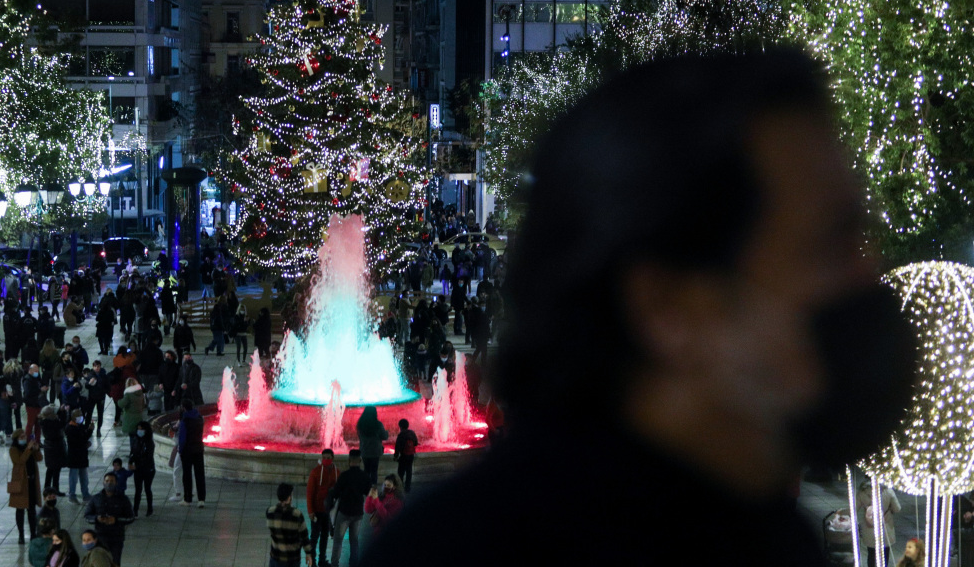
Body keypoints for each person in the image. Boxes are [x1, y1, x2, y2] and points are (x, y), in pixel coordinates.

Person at [360, 52, 919, 566]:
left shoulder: (771, 540)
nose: (869, 275)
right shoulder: (458, 552)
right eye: (830, 245)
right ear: (666, 305)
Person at [83, 473, 135, 564]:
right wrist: (97, 519)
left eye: (111, 481)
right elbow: (87, 516)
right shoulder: (96, 498)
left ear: (116, 483)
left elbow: (130, 517)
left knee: (115, 562)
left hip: (116, 538)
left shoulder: (123, 499)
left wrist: (116, 520)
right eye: (107, 481)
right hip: (100, 537)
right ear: (103, 482)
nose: (109, 483)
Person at [330, 450, 367, 567]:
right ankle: (354, 563)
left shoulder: (344, 476)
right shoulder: (364, 476)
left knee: (338, 540)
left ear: (349, 460)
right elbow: (368, 492)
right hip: (358, 513)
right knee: (354, 541)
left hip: (344, 512)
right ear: (360, 460)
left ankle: (335, 564)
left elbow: (335, 493)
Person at [266, 482, 315, 567]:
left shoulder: (270, 512)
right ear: (289, 497)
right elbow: (304, 536)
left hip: (275, 557)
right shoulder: (296, 515)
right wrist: (308, 553)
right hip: (292, 559)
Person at [9, 429, 43, 545]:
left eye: (25, 437)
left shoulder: (29, 448)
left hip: (31, 482)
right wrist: (28, 449)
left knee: (31, 510)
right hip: (21, 483)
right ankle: (21, 534)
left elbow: (39, 458)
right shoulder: (13, 449)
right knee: (20, 509)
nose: (24, 439)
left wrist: (36, 449)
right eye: (21, 437)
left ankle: (33, 533)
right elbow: (20, 461)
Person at [306, 449, 339, 567]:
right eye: (324, 458)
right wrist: (310, 511)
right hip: (317, 510)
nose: (326, 460)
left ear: (332, 458)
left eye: (328, 458)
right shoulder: (315, 472)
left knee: (325, 535)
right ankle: (313, 561)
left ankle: (322, 560)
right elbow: (310, 493)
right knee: (314, 537)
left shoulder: (337, 472)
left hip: (328, 511)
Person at [859, 481, 902, 567]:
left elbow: (854, 508)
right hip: (885, 528)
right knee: (885, 554)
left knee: (871, 553)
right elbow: (897, 508)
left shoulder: (863, 492)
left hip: (869, 528)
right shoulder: (889, 491)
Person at [177, 398, 207, 506]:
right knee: (200, 474)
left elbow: (182, 438)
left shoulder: (185, 420)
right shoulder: (199, 418)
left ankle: (187, 499)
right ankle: (201, 499)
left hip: (187, 450)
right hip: (198, 448)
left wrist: (180, 450)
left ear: (184, 408)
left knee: (187, 475)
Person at [65, 411, 94, 503]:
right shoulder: (70, 428)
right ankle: (72, 495)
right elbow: (78, 441)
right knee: (73, 477)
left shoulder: (80, 426)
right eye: (79, 416)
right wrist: (89, 433)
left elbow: (83, 437)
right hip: (74, 456)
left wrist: (89, 431)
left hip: (82, 456)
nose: (81, 417)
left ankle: (85, 494)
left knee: (84, 477)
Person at [129, 421, 156, 517]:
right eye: (138, 429)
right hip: (138, 469)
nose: (139, 431)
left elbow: (148, 458)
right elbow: (133, 453)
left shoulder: (149, 443)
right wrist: (130, 462)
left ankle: (150, 509)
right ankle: (135, 510)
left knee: (147, 488)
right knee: (138, 490)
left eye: (141, 429)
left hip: (148, 469)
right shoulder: (136, 440)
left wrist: (137, 465)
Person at [355, 407, 388, 487]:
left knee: (366, 469)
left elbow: (359, 437)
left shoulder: (360, 424)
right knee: (374, 471)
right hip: (375, 451)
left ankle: (365, 486)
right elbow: (384, 437)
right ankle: (373, 488)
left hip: (364, 450)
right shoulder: (378, 424)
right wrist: (386, 432)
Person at [23, 363, 49, 442]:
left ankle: (37, 441)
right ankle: (27, 441)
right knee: (30, 424)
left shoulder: (37, 378)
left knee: (38, 424)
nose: (37, 372)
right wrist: (40, 389)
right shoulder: (27, 379)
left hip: (38, 404)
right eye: (35, 371)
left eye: (37, 371)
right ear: (30, 370)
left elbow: (41, 384)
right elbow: (28, 392)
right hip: (31, 405)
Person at [393, 420, 418, 493]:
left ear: (400, 426)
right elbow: (416, 443)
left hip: (403, 456)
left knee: (401, 472)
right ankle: (407, 487)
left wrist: (396, 456)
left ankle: (400, 487)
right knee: (409, 471)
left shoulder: (401, 435)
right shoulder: (412, 433)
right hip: (411, 455)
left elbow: (397, 447)